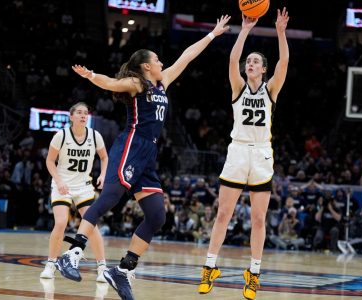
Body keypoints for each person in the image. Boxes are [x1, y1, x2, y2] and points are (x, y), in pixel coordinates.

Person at [56, 16, 231, 300]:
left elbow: (187, 56)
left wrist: (212, 34)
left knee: (157, 215)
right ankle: (73, 252)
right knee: (110, 197)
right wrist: (91, 76)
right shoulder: (138, 84)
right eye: (158, 60)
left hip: (149, 152)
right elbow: (112, 83)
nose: (163, 63)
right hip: (131, 145)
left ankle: (122, 270)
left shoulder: (163, 83)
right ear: (147, 65)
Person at [198, 8, 290, 300]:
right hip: (237, 151)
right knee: (223, 213)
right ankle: (209, 268)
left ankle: (254, 274)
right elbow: (231, 59)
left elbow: (284, 61)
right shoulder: (237, 87)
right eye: (248, 61)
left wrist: (280, 32)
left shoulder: (271, 90)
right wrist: (246, 29)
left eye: (255, 62)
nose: (249, 63)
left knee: (259, 219)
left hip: (262, 155)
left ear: (263, 69)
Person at [40, 102, 109, 282]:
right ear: (71, 117)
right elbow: (49, 161)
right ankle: (51, 264)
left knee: (91, 226)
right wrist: (59, 180)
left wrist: (102, 174)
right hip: (63, 185)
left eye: (86, 113)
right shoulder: (60, 136)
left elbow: (104, 157)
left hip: (84, 186)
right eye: (79, 113)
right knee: (61, 222)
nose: (83, 116)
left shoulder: (95, 136)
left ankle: (102, 267)